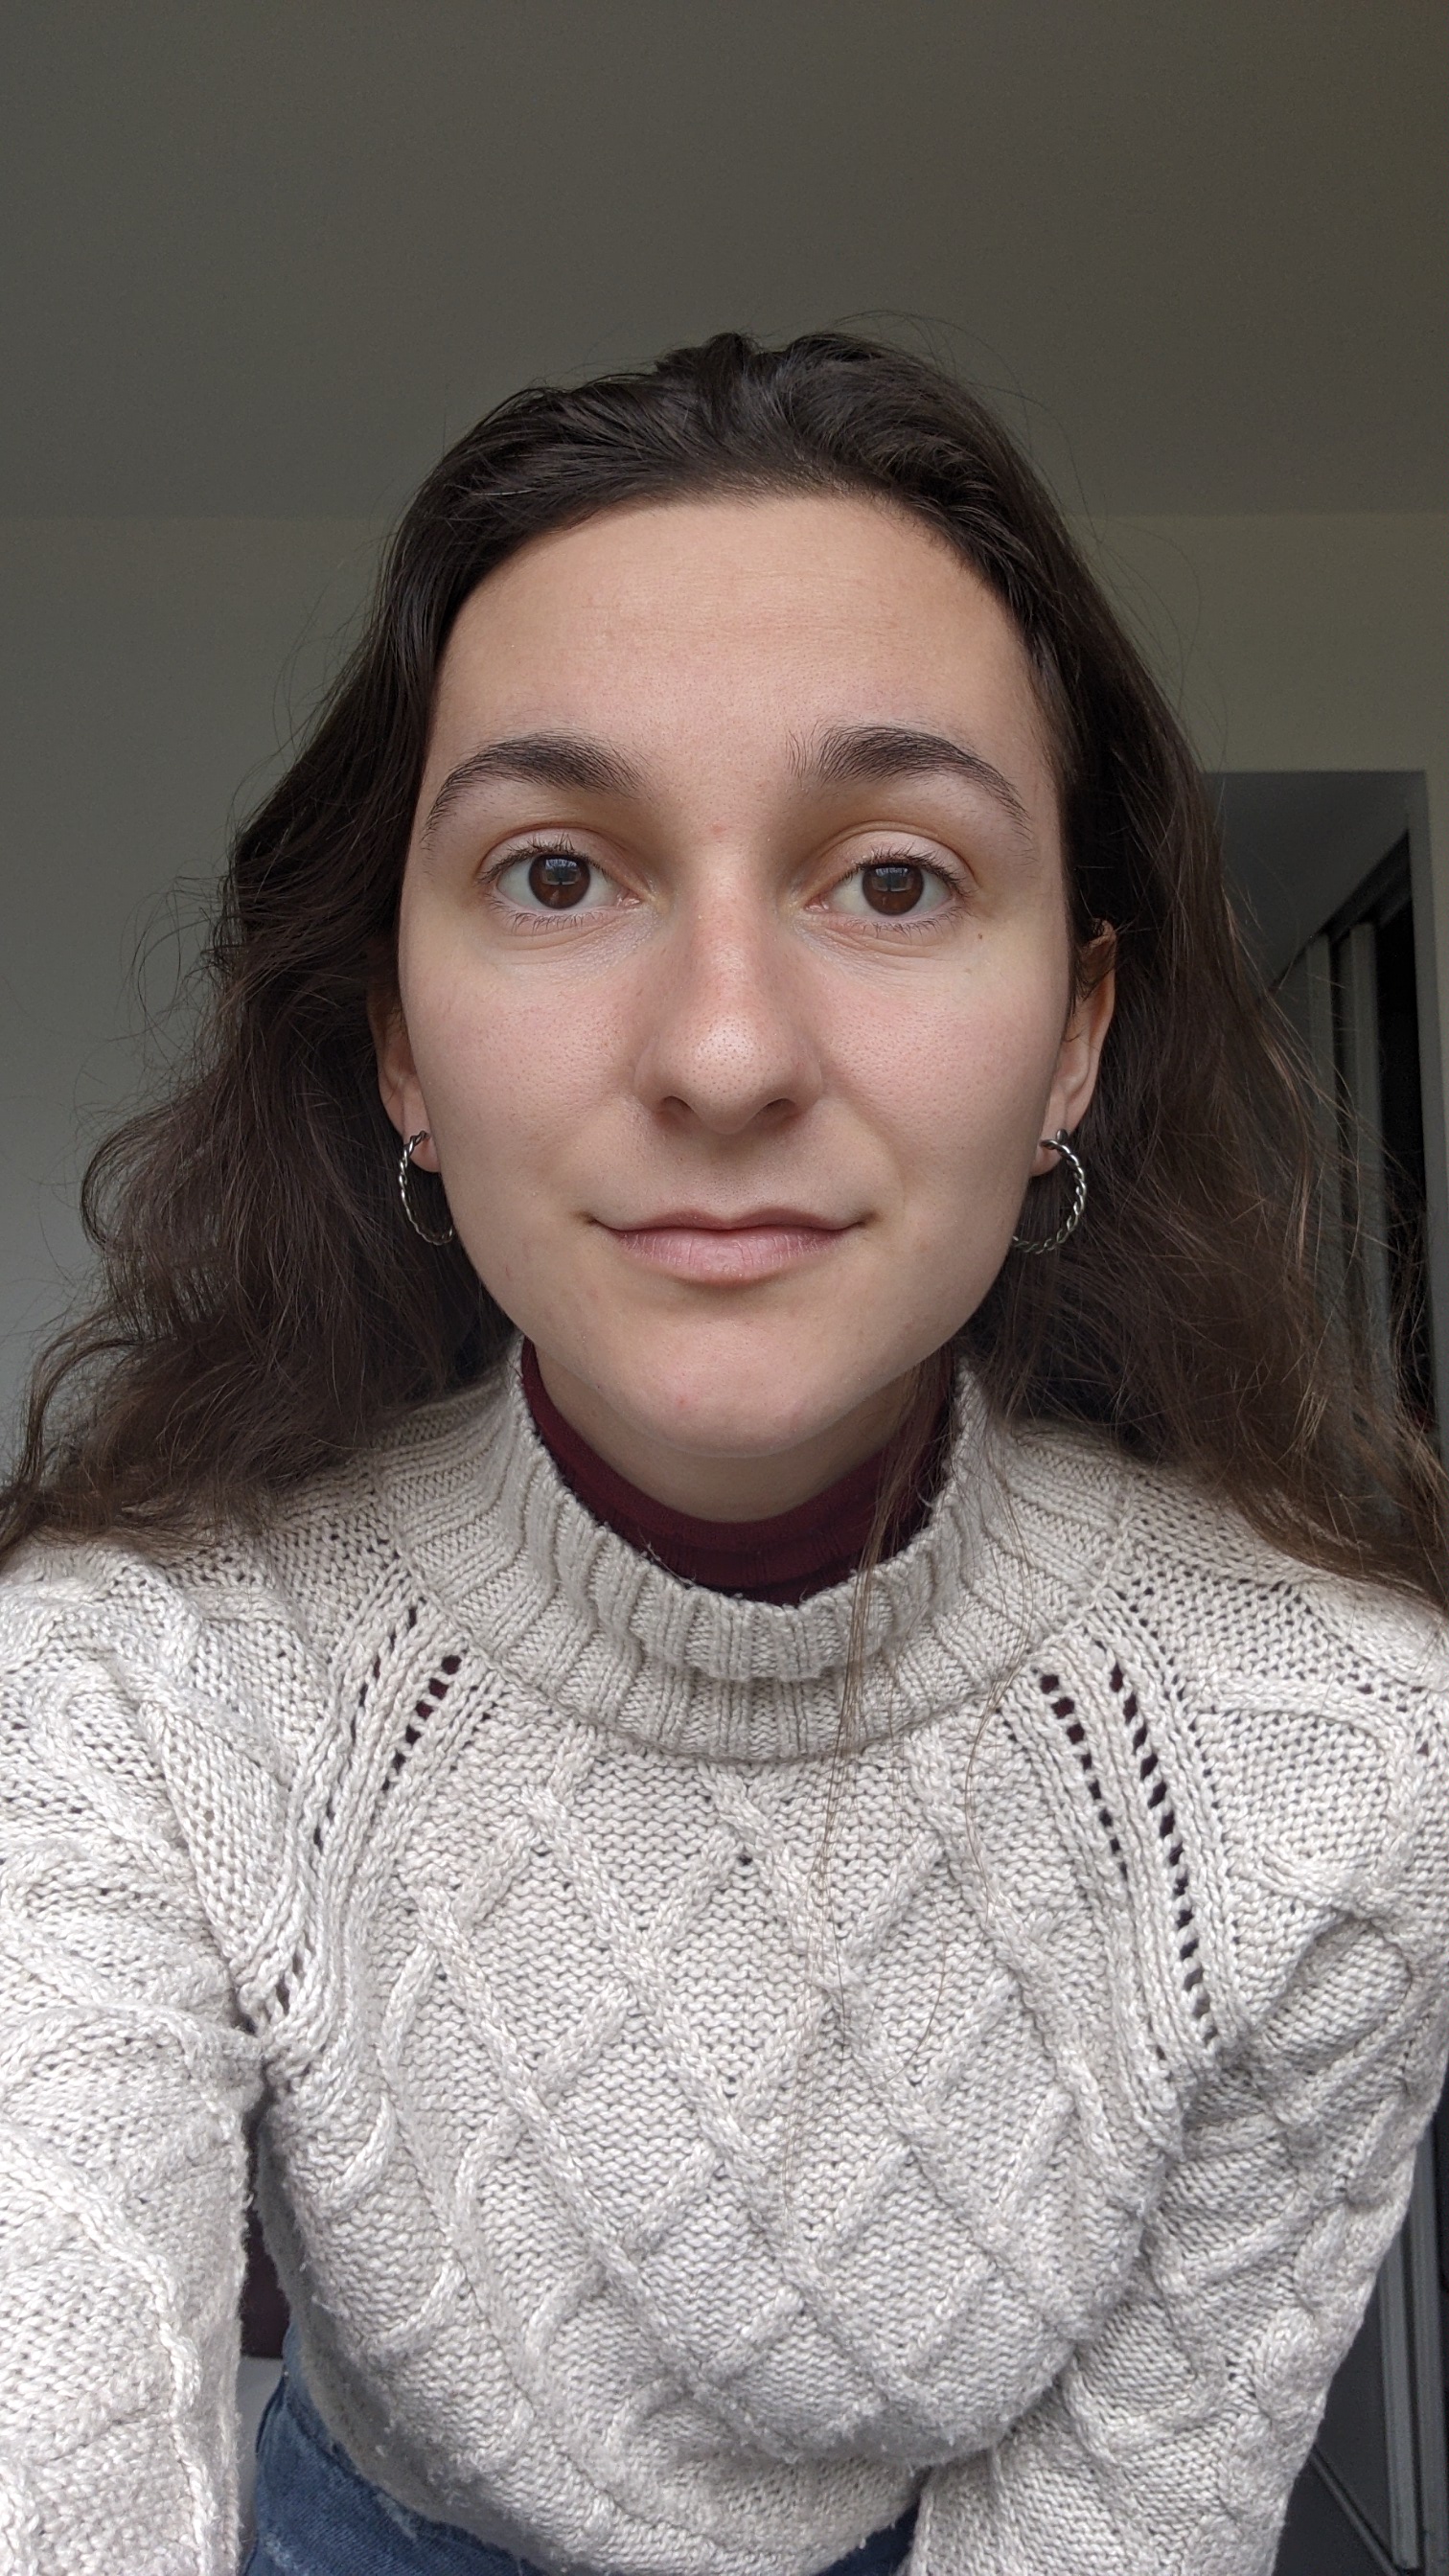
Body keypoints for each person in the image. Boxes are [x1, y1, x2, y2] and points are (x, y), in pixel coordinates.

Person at [1, 331, 1447, 2576]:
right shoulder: (133, 1682)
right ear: (400, 1047)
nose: (727, 1051)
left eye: (894, 880)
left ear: (1074, 1034)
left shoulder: (1341, 1763)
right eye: (556, 875)